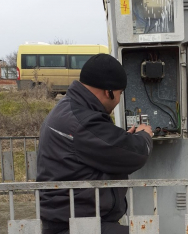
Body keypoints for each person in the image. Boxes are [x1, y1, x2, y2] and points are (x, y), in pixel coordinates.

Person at [36, 54, 153, 234]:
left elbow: (105, 148)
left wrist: (124, 141)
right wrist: (144, 136)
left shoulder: (70, 108)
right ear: (109, 92)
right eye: (120, 93)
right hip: (76, 225)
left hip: (71, 219)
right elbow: (135, 155)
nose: (119, 100)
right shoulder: (81, 121)